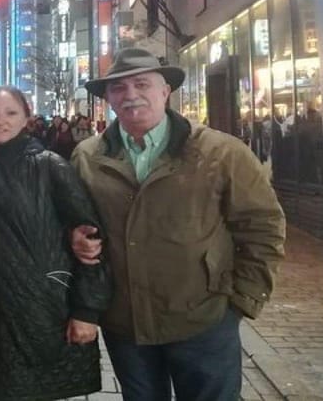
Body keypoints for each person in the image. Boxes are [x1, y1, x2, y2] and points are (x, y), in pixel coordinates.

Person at [71, 48, 286, 400]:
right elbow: (76, 219)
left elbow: (262, 226)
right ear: (108, 98)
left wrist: (242, 301)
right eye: (119, 89)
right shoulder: (88, 157)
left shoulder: (221, 152)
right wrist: (75, 237)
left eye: (142, 84)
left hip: (203, 317)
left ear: (165, 90)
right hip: (126, 321)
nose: (131, 96)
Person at [0, 86, 111, 400]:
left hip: (44, 309)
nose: (0, 121)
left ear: (26, 118)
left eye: (11, 113)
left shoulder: (49, 165)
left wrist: (87, 311)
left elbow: (91, 240)